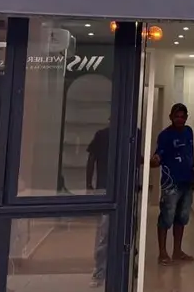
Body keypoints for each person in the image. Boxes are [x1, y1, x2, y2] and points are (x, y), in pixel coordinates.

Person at [151, 103, 194, 266]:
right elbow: (158, 157)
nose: (179, 119)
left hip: (187, 182)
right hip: (170, 184)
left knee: (182, 217)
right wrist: (153, 160)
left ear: (186, 117)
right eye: (176, 116)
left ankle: (177, 251)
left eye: (182, 117)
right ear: (170, 117)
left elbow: (190, 155)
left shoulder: (188, 132)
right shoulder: (165, 135)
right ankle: (162, 252)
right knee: (166, 217)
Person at [87, 123, 110, 287]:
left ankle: (128, 267)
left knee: (128, 232)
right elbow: (91, 159)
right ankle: (100, 272)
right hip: (105, 189)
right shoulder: (102, 135)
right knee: (104, 233)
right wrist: (89, 184)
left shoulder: (133, 134)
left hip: (126, 190)